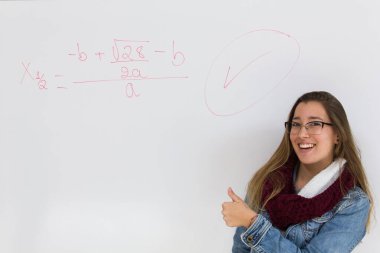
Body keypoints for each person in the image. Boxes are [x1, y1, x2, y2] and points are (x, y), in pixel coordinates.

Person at [222, 91, 373, 253]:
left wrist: (252, 223)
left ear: (338, 135)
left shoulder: (354, 204)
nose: (301, 134)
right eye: (296, 124)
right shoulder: (267, 182)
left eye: (315, 124)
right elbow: (240, 249)